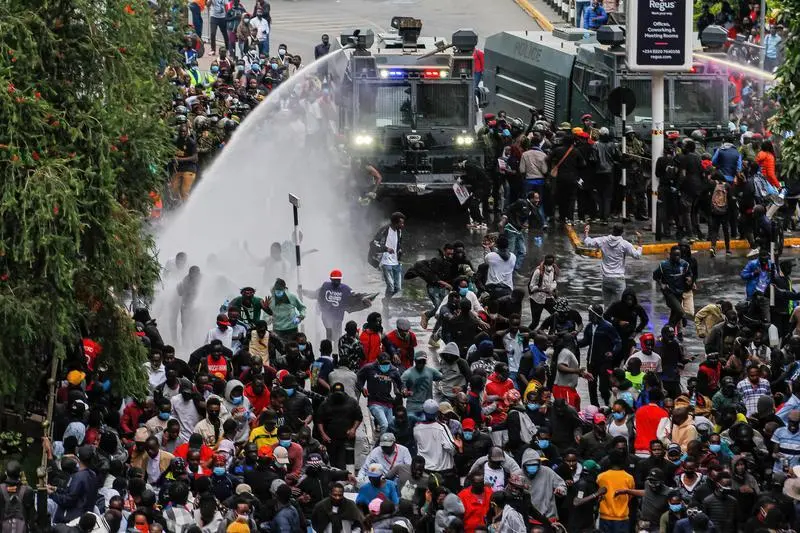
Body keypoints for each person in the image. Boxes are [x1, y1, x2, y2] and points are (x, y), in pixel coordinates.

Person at [583, 224, 642, 308]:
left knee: (607, 307)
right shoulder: (624, 244)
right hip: (618, 279)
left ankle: (606, 320)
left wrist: (586, 232)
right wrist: (639, 240)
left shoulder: (603, 240)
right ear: (622, 232)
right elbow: (637, 255)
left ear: (612, 230)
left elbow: (588, 242)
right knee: (620, 307)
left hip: (606, 278)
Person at [653, 246, 692, 330]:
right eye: (675, 255)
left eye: (678, 255)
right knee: (680, 312)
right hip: (669, 293)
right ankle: (674, 324)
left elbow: (689, 274)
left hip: (679, 293)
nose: (677, 257)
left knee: (674, 314)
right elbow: (655, 276)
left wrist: (689, 279)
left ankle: (668, 331)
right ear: (670, 255)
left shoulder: (685, 264)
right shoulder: (663, 265)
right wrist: (661, 284)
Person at [596, 450, 635, 532]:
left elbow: (598, 494)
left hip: (605, 517)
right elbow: (631, 495)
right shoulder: (629, 478)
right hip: (622, 518)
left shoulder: (601, 477)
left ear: (609, 461)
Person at [369, 212, 406, 298]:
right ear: (395, 223)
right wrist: (386, 249)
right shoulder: (384, 230)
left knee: (398, 288)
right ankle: (386, 304)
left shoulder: (399, 231)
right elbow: (373, 243)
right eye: (401, 223)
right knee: (391, 287)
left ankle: (386, 300)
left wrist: (399, 250)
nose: (403, 225)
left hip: (396, 262)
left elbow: (398, 244)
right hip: (385, 262)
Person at [317, 269, 354, 341]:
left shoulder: (345, 288)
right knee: (329, 333)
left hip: (338, 316)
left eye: (338, 280)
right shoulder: (325, 286)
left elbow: (355, 296)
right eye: (335, 280)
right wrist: (319, 307)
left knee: (337, 336)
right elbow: (319, 296)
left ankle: (336, 349)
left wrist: (363, 300)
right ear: (331, 279)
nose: (336, 281)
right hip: (326, 315)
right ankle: (328, 348)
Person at [527, 255, 558, 330]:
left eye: (551, 264)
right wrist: (543, 290)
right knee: (535, 322)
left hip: (548, 298)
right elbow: (531, 287)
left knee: (556, 315)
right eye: (548, 264)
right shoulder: (538, 271)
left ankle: (550, 333)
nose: (549, 267)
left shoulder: (554, 269)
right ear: (545, 262)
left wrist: (554, 290)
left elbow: (554, 281)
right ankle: (525, 336)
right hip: (537, 299)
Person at [483, 235, 515, 300]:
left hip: (492, 289)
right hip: (508, 289)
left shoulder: (490, 256)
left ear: (497, 245)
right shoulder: (513, 257)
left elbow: (486, 262)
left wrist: (487, 249)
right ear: (508, 245)